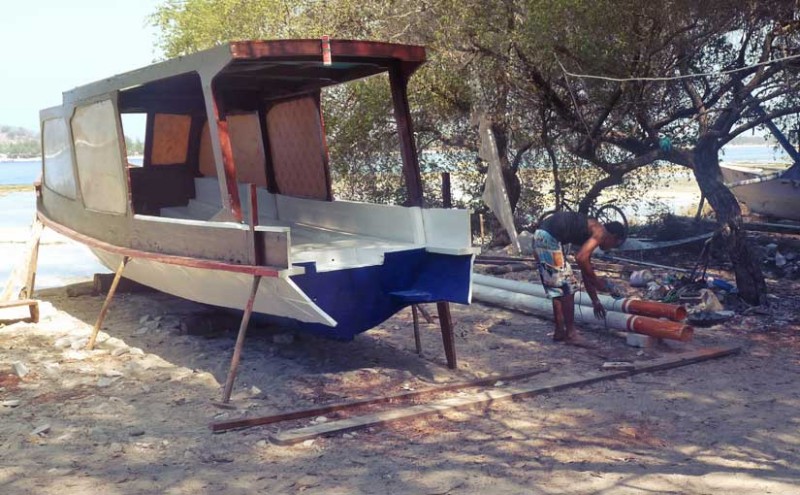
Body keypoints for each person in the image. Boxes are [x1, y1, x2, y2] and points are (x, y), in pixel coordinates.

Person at [533, 211, 626, 346]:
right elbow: (581, 258)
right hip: (549, 239)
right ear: (613, 236)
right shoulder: (600, 232)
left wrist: (595, 301)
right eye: (614, 244)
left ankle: (560, 331)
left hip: (540, 237)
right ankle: (570, 334)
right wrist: (597, 281)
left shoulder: (589, 232)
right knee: (568, 287)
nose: (610, 248)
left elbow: (585, 270)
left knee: (558, 289)